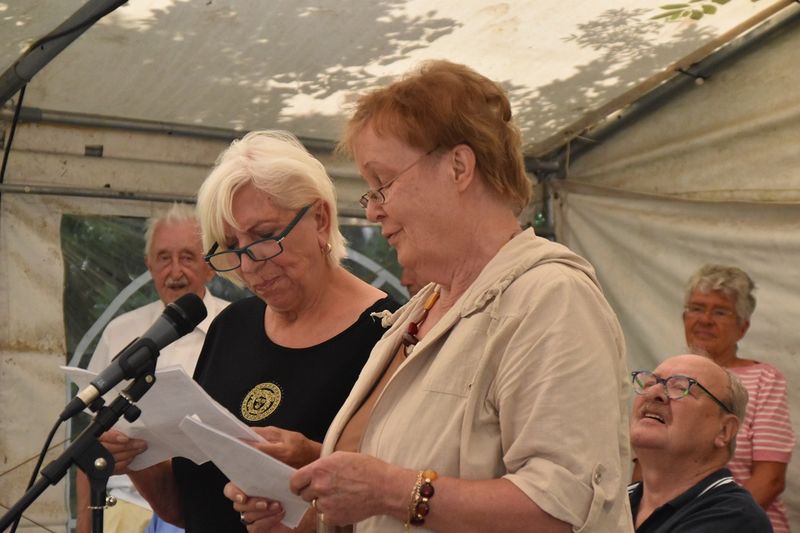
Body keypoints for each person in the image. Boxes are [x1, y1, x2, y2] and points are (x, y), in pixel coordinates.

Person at [226, 60, 633, 532]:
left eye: (382, 184)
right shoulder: (419, 312)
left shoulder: (551, 298)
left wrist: (393, 491)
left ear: (459, 167)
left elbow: (564, 508)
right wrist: (299, 515)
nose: (373, 211)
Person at [94, 130, 398, 533]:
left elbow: (394, 504)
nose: (249, 264)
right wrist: (135, 459)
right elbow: (189, 507)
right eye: (231, 246)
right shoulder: (231, 325)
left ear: (320, 220)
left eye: (265, 236)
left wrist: (312, 459)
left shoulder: (390, 334)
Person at [76, 203, 229, 533]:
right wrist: (85, 525)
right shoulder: (121, 331)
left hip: (206, 505)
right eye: (163, 258)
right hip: (124, 506)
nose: (175, 271)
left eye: (187, 257)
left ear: (210, 266)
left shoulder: (235, 328)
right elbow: (92, 437)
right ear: (149, 265)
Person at [683, 264, 794, 532]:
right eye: (697, 308)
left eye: (720, 312)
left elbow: (770, 479)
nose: (705, 319)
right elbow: (645, 471)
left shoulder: (765, 379)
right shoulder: (669, 378)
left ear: (743, 328)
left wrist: (708, 527)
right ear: (684, 317)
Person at [628, 353, 772, 532]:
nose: (653, 393)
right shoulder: (618, 501)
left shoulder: (735, 517)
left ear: (724, 430)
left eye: (680, 388)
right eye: (649, 383)